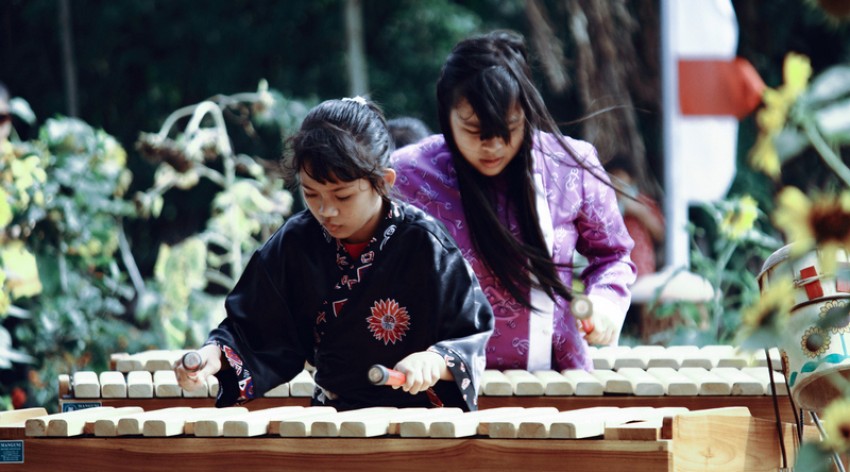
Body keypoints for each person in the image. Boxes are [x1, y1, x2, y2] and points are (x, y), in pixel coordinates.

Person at [175, 97, 494, 411]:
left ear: (383, 182)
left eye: (342, 195)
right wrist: (213, 356)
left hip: (421, 422)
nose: (326, 210)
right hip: (332, 417)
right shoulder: (296, 242)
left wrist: (434, 361)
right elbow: (252, 329)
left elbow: (470, 332)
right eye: (311, 193)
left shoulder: (426, 244)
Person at [391, 30, 636, 373]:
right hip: (435, 383)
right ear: (446, 115)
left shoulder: (571, 164)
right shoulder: (405, 175)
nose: (493, 146)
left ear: (527, 112)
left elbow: (613, 254)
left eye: (509, 126)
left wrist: (606, 302)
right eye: (475, 129)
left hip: (556, 380)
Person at [606, 153, 665, 278]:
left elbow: (661, 233)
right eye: (613, 177)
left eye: (620, 176)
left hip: (642, 269)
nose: (616, 182)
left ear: (631, 179)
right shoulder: (605, 206)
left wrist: (639, 212)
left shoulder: (643, 201)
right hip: (615, 271)